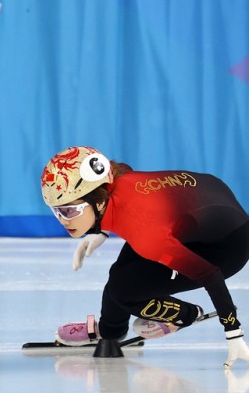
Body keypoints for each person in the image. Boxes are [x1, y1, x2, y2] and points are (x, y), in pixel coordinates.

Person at [41, 145, 249, 365]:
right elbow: (123, 168)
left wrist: (233, 333)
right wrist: (101, 231)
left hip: (226, 248)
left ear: (99, 202)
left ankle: (184, 314)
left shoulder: (147, 234)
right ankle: (109, 332)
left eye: (69, 211)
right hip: (205, 206)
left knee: (123, 288)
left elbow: (210, 275)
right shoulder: (113, 179)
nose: (63, 220)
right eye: (56, 211)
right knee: (120, 273)